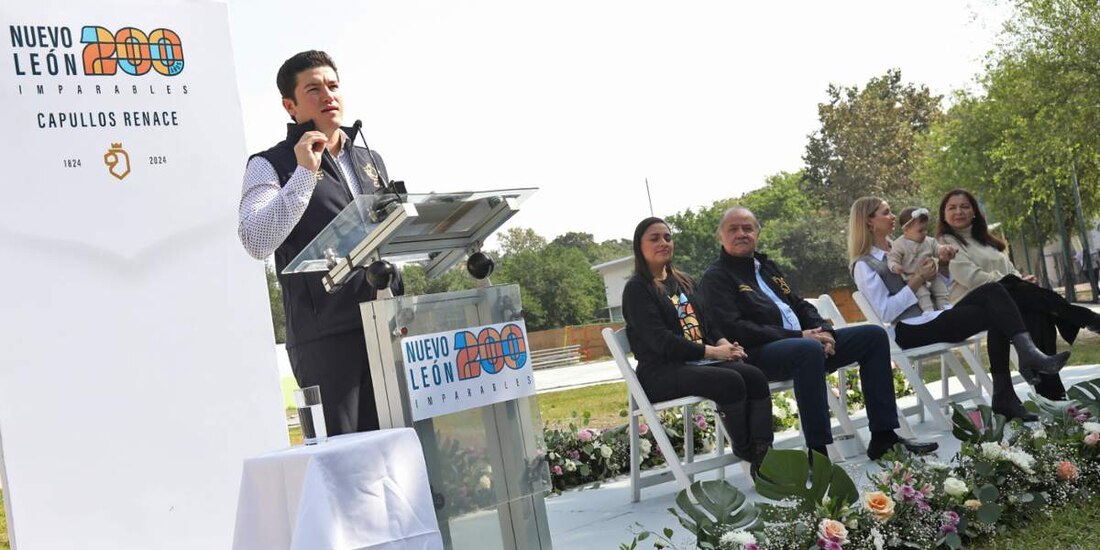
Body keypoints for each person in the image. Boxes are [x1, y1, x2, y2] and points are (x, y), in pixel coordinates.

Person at [237, 50, 402, 436]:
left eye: (333, 85)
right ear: (290, 106)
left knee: (399, 451)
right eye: (313, 89)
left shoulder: (370, 159)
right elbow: (256, 239)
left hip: (387, 326)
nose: (328, 95)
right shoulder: (269, 164)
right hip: (326, 339)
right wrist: (303, 174)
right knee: (344, 459)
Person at [697, 207, 938, 461]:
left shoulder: (766, 267)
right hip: (757, 354)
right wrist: (798, 336)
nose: (741, 234)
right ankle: (819, 453)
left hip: (802, 344)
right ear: (720, 236)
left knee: (873, 336)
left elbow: (799, 304)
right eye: (733, 229)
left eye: (747, 228)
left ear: (758, 232)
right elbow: (735, 328)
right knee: (808, 350)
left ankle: (884, 438)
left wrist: (825, 331)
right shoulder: (716, 278)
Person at [848, 196, 1070, 421]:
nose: (893, 216)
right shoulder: (864, 265)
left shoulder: (903, 245)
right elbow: (886, 312)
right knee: (999, 309)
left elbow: (940, 285)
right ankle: (1017, 376)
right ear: (869, 221)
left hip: (938, 313)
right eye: (886, 212)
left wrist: (942, 266)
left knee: (994, 291)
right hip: (910, 328)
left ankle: (1019, 370)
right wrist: (918, 279)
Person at [621, 217, 773, 477]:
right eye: (655, 238)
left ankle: (765, 456)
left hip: (697, 363)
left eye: (667, 237)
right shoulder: (637, 289)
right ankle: (747, 452)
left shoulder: (684, 281)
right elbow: (662, 341)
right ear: (639, 246)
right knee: (730, 381)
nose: (663, 243)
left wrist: (725, 344)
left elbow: (708, 323)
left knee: (755, 376)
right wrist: (713, 352)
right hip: (661, 372)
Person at [937, 189, 1100, 400]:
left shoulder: (986, 241)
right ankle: (1084, 318)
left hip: (1005, 301)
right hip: (971, 305)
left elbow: (1010, 270)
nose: (959, 211)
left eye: (965, 206)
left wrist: (1020, 281)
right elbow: (972, 278)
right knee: (1022, 292)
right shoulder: (945, 243)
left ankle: (1053, 397)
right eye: (952, 208)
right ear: (944, 214)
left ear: (974, 211)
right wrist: (1015, 282)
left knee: (1037, 315)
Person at [888, 207, 949, 312]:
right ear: (906, 230)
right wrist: (895, 266)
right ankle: (928, 312)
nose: (925, 233)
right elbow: (892, 257)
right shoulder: (899, 245)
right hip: (913, 277)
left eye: (926, 229)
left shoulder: (929, 241)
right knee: (923, 294)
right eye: (920, 230)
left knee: (941, 289)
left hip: (932, 275)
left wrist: (944, 250)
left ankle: (945, 308)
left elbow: (937, 248)